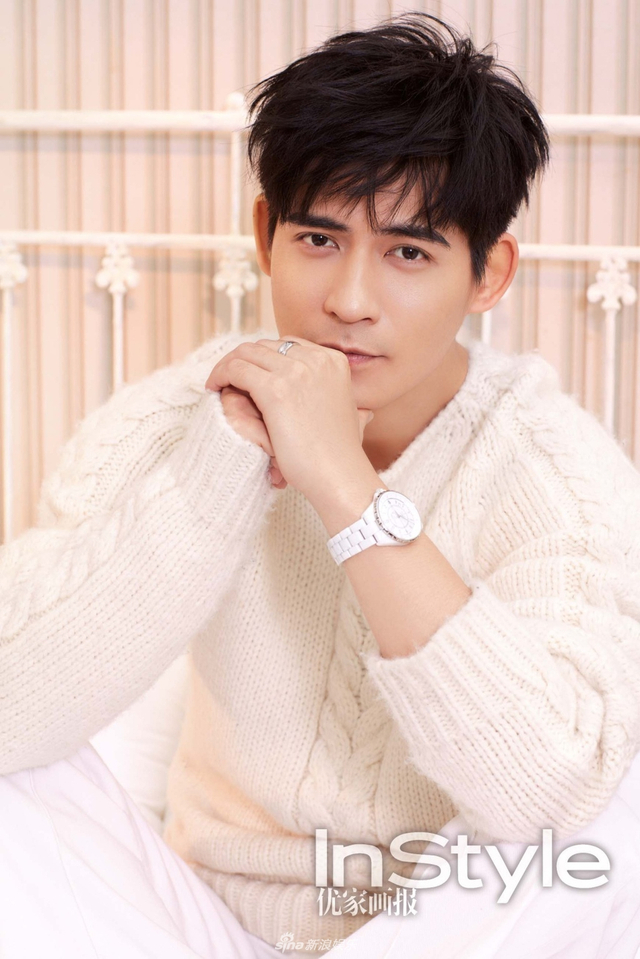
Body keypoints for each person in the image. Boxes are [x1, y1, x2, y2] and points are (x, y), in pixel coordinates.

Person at [1, 11, 640, 959]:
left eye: (409, 252)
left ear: (488, 274)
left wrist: (348, 488)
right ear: (266, 233)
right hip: (188, 922)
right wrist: (225, 455)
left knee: (604, 804)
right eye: (318, 239)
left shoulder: (557, 474)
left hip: (442, 929)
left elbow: (547, 789)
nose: (348, 300)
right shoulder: (172, 418)